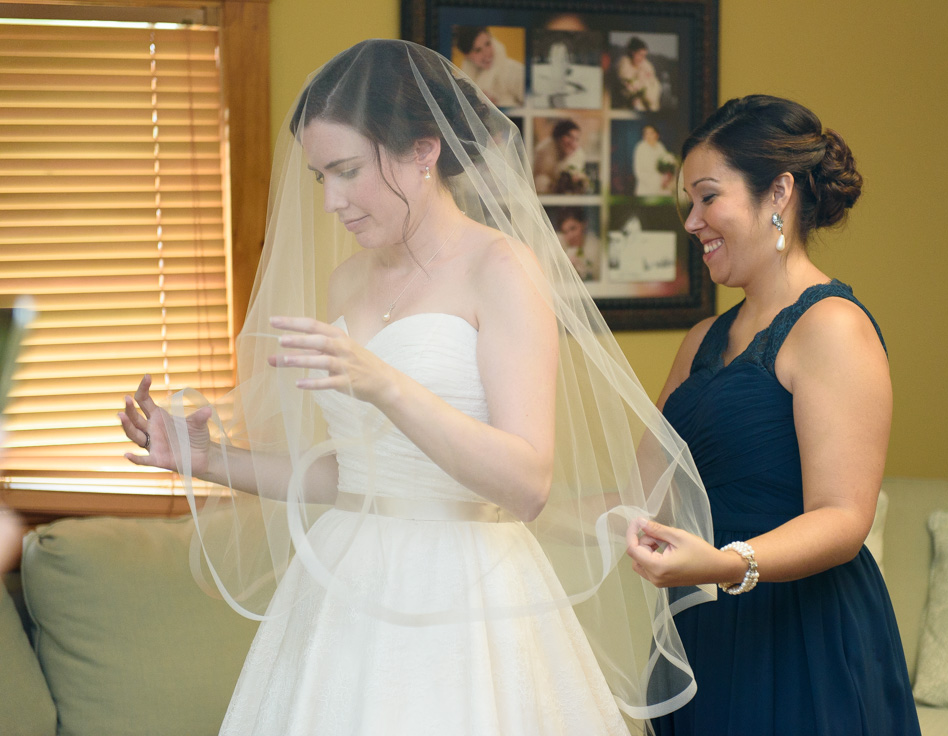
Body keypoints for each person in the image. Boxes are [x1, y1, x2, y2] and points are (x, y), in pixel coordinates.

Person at [118, 40, 713, 734]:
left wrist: (386, 385)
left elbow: (528, 481)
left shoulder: (501, 269)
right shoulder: (350, 281)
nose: (332, 201)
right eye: (319, 178)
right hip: (343, 589)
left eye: (346, 171)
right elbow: (352, 475)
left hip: (464, 593)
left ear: (423, 152)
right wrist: (208, 459)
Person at [626, 95, 921, 735]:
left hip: (801, 638)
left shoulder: (833, 326)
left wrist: (725, 564)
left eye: (708, 197)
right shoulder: (701, 339)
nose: (692, 220)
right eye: (688, 202)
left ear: (778, 194)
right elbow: (640, 494)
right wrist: (505, 503)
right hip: (702, 633)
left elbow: (843, 516)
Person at [454, 26, 525, 108]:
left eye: (487, 44)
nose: (487, 53)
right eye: (478, 50)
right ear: (468, 56)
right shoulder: (464, 81)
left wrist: (498, 106)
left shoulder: (513, 70)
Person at [532, 118, 589, 193]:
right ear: (558, 137)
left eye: (576, 139)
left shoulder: (578, 154)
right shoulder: (544, 150)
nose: (572, 143)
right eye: (569, 136)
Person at [553, 207, 599, 281]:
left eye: (573, 228)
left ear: (584, 225)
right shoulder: (558, 250)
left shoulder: (595, 247)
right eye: (565, 232)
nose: (570, 236)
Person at [615, 37, 660, 112]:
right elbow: (629, 89)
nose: (642, 58)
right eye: (640, 54)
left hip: (649, 108)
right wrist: (642, 81)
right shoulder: (622, 65)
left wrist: (644, 86)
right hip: (627, 109)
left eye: (644, 55)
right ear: (632, 52)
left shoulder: (647, 66)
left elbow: (655, 87)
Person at [632, 124, 677, 197]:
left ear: (657, 134)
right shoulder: (640, 148)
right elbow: (638, 171)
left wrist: (665, 179)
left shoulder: (660, 146)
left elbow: (666, 163)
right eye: (646, 133)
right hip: (645, 188)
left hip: (661, 186)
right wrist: (653, 182)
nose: (649, 135)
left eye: (651, 133)